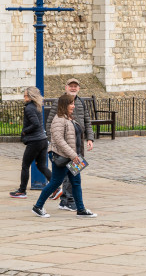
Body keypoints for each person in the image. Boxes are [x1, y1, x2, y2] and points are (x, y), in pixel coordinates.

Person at [32, 94, 97, 218]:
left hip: (74, 157)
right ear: (64, 105)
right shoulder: (58, 120)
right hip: (63, 156)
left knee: (76, 183)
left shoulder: (69, 118)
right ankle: (38, 206)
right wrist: (73, 155)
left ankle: (81, 209)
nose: (73, 106)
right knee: (55, 183)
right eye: (71, 104)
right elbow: (59, 140)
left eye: (73, 103)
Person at [46, 78, 93, 211]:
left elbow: (87, 121)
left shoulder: (81, 102)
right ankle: (67, 200)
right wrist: (54, 143)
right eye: (70, 86)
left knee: (75, 172)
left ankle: (69, 200)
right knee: (68, 173)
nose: (73, 88)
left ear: (78, 88)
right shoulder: (59, 102)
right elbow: (50, 123)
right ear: (66, 87)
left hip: (78, 144)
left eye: (75, 86)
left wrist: (90, 138)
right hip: (65, 146)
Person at [9, 87, 52, 198]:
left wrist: (24, 132)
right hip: (42, 140)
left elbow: (35, 124)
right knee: (42, 166)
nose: (24, 97)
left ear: (31, 96)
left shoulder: (29, 108)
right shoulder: (37, 106)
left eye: (26, 95)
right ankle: (56, 188)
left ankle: (22, 191)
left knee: (25, 165)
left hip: (35, 141)